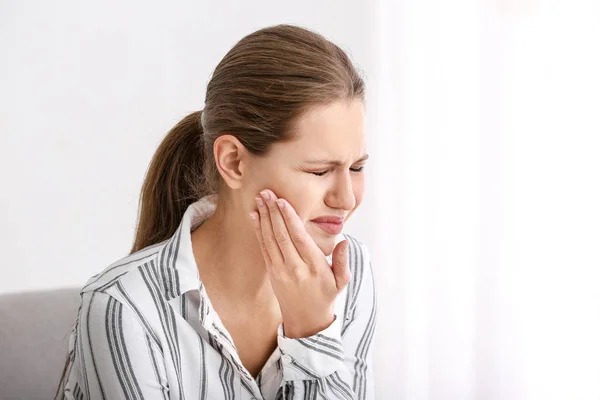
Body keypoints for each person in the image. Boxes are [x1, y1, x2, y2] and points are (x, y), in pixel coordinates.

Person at [58, 24, 377, 400]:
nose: (346, 199)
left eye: (356, 168)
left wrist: (313, 330)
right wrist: (311, 335)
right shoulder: (124, 308)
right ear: (234, 162)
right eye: (319, 171)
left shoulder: (347, 272)